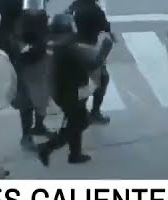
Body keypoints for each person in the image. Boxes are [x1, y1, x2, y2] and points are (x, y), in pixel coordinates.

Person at [37, 13, 113, 166]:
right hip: (70, 90)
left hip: (58, 88)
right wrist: (105, 49)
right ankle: (47, 147)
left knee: (75, 120)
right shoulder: (68, 46)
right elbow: (92, 64)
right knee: (80, 123)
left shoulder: (50, 42)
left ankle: (75, 154)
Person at [68, 0, 114, 124]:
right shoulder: (95, 10)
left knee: (79, 82)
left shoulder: (73, 6)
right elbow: (106, 28)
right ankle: (94, 112)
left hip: (71, 50)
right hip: (88, 52)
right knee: (101, 80)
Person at [14, 0, 52, 149]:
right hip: (26, 67)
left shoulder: (39, 20)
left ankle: (39, 126)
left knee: (42, 99)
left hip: (40, 64)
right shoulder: (21, 27)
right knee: (27, 103)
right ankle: (26, 136)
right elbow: (19, 46)